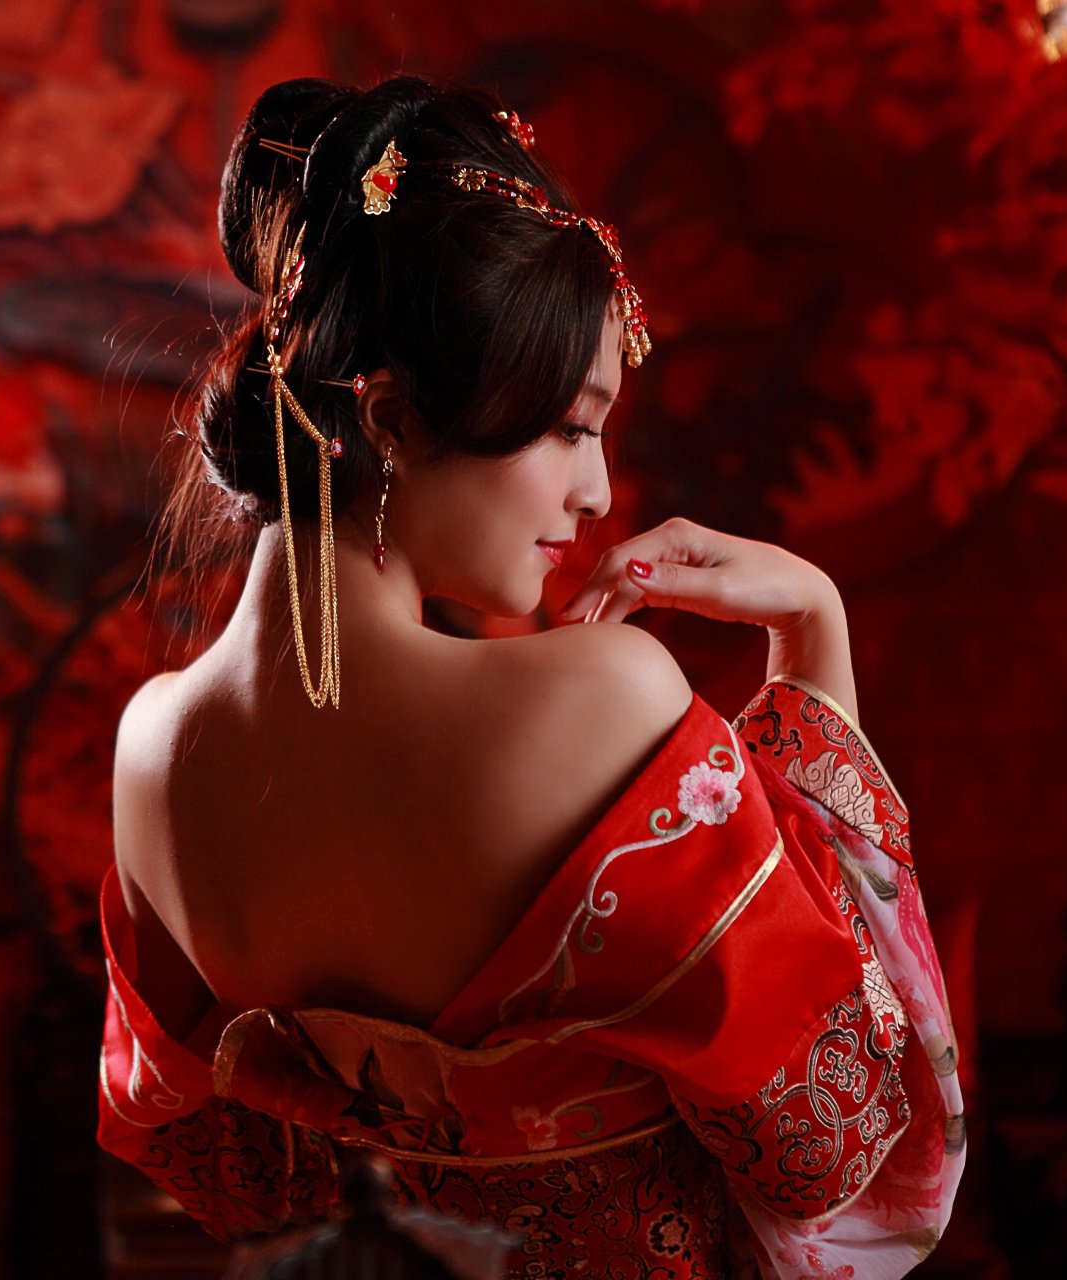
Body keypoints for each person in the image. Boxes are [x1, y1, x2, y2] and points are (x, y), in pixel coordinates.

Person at [96, 74, 964, 1280]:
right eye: (571, 426)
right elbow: (832, 1140)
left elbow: (240, 1184)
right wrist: (814, 630)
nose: (597, 491)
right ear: (386, 415)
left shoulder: (151, 754)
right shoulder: (601, 698)